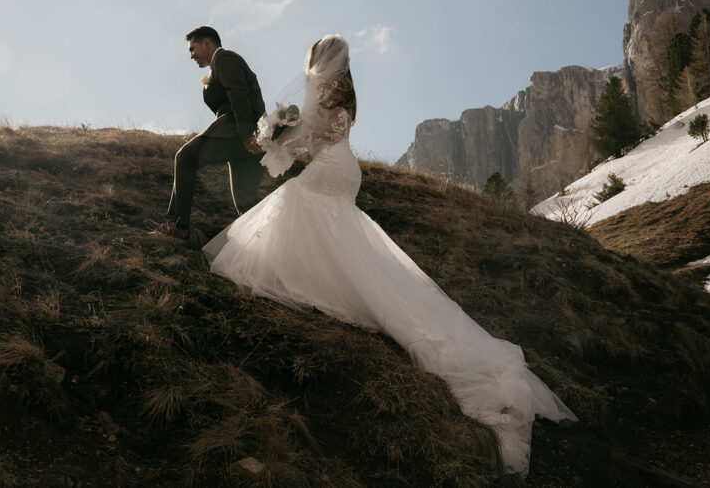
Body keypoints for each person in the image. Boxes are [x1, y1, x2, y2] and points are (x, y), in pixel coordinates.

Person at [203, 34, 576, 476]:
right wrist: (286, 139)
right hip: (343, 169)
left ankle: (313, 279)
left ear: (318, 61)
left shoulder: (325, 90)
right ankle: (332, 277)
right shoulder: (342, 90)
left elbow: (323, 132)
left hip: (332, 167)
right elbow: (325, 134)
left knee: (295, 206)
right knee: (335, 231)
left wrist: (281, 135)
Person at [147, 26, 266, 240]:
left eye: (193, 49)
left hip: (238, 133)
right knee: (245, 204)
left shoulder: (225, 58)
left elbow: (239, 96)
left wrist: (248, 135)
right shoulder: (215, 67)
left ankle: (178, 225)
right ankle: (265, 246)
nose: (191, 56)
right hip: (241, 138)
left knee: (185, 157)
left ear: (207, 43)